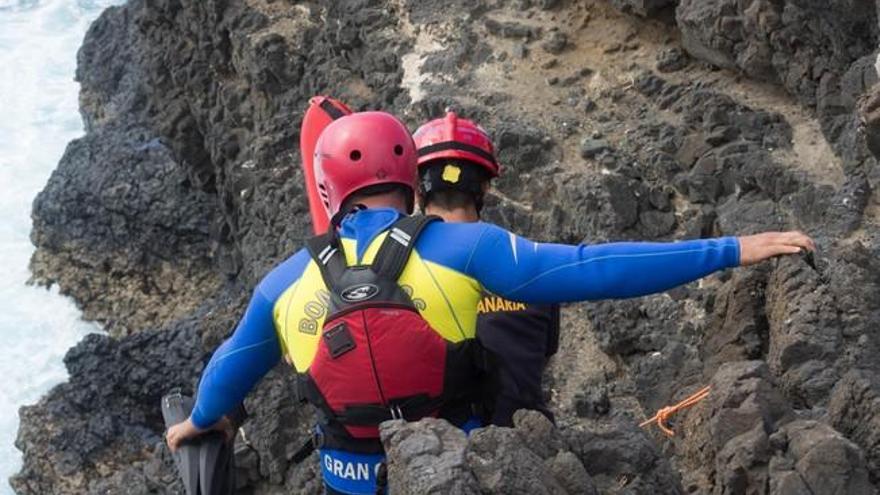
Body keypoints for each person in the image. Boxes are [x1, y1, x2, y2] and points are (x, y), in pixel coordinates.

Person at [166, 111, 814, 495]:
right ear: (407, 177)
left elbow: (228, 371)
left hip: (349, 471)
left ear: (329, 189)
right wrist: (733, 247)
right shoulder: (467, 248)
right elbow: (597, 267)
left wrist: (199, 419)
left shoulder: (283, 284)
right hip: (458, 462)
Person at [413, 111, 559, 426]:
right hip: (530, 442)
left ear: (417, 190)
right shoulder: (528, 263)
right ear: (485, 188)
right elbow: (543, 354)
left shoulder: (394, 272)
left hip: (436, 449)